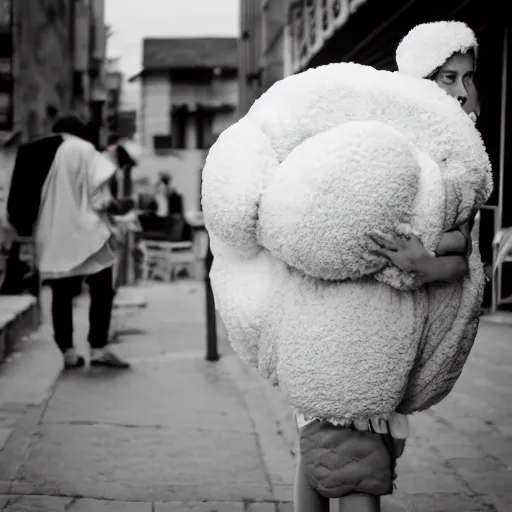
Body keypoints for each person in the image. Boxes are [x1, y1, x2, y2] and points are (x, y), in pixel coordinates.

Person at [294, 21, 482, 512]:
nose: (462, 92)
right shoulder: (378, 141)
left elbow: (463, 262)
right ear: (418, 80)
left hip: (390, 342)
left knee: (326, 464)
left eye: (467, 77)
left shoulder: (458, 156)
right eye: (447, 77)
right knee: (356, 471)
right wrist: (436, 244)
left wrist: (430, 259)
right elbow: (354, 230)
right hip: (350, 335)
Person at [35, 116, 131, 369]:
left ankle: (67, 351)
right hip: (87, 233)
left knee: (61, 292)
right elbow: (98, 197)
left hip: (55, 232)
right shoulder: (83, 149)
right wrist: (119, 207)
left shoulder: (50, 151)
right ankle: (98, 347)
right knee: (101, 289)